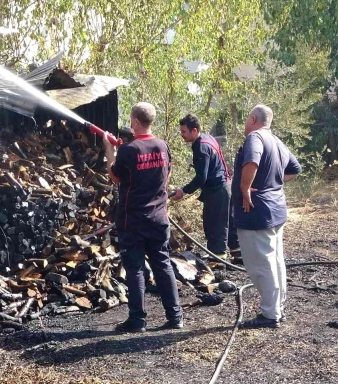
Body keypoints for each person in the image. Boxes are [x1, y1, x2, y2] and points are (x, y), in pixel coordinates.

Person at [103, 102, 183, 333]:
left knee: (135, 268)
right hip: (159, 218)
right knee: (162, 264)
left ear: (135, 122)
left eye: (131, 120)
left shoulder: (129, 150)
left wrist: (109, 149)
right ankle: (175, 316)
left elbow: (115, 177)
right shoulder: (162, 145)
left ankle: (137, 321)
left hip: (133, 220)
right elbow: (166, 174)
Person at [233, 105, 301, 329]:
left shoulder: (255, 137)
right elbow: (294, 168)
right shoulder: (277, 140)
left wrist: (246, 188)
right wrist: (272, 183)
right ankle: (276, 308)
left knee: (261, 263)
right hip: (275, 209)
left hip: (257, 212)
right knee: (275, 260)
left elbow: (252, 161)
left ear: (253, 119)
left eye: (246, 119)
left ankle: (270, 314)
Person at [170, 114, 241, 265]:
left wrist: (183, 191)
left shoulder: (201, 147)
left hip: (217, 190)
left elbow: (201, 177)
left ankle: (217, 260)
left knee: (215, 224)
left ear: (194, 130)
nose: (182, 135)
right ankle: (238, 253)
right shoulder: (208, 137)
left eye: (184, 132)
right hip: (226, 185)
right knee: (228, 221)